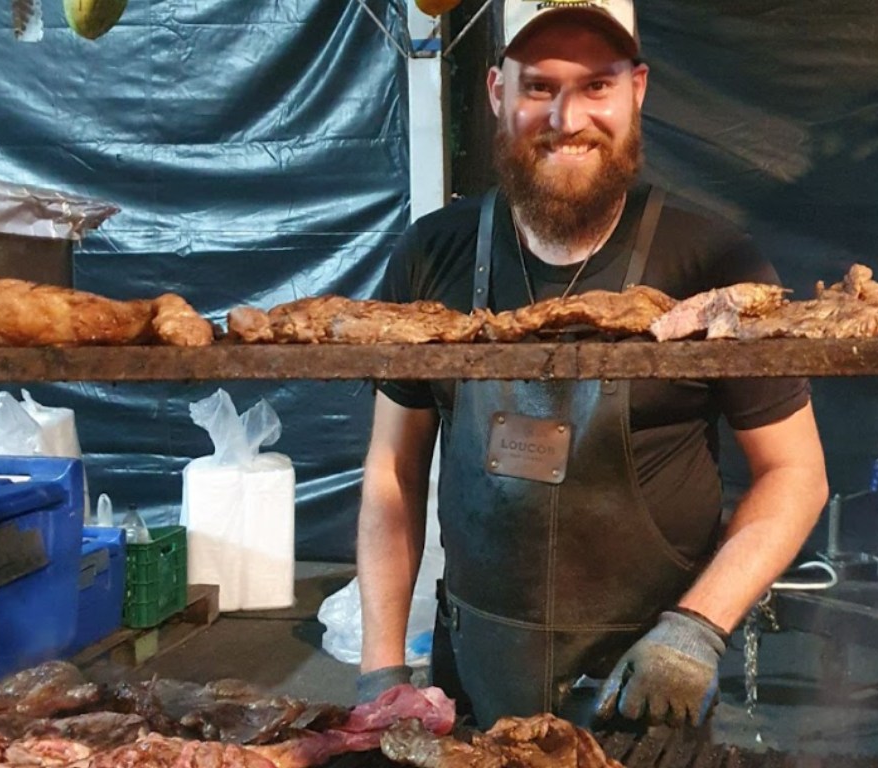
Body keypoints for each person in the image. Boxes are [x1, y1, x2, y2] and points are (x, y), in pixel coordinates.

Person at [355, 0, 828, 730]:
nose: (567, 118)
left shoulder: (711, 264)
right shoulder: (432, 256)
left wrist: (698, 627)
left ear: (637, 88)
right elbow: (393, 470)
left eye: (596, 86)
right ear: (496, 94)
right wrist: (382, 671)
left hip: (648, 686)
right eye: (539, 86)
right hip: (473, 680)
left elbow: (796, 473)